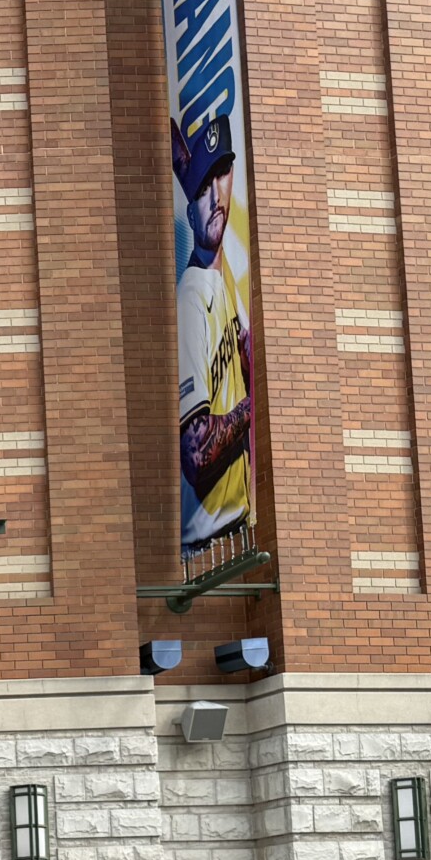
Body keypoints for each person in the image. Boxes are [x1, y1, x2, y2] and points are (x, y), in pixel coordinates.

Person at [172, 112, 254, 552]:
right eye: (201, 189)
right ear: (189, 210)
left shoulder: (224, 283)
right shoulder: (191, 297)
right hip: (207, 546)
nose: (215, 198)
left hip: (235, 529)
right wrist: (252, 407)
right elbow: (196, 452)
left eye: (219, 177)